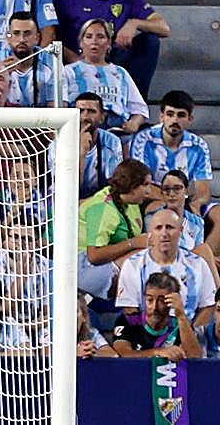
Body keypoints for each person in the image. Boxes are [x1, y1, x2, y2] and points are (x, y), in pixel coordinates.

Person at [53, 0, 168, 97]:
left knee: (150, 41)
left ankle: (136, 103)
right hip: (77, 60)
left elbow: (164, 28)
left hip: (112, 58)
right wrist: (74, 59)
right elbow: (49, 34)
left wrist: (133, 23)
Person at [115, 206, 215, 332]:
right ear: (150, 233)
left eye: (170, 227)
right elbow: (129, 309)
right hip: (147, 335)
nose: (164, 233)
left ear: (180, 230)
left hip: (189, 333)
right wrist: (153, 337)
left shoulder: (198, 264)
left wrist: (190, 333)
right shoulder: (132, 264)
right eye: (158, 228)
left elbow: (208, 306)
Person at [77, 157, 154, 300]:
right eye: (145, 185)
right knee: (146, 255)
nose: (149, 191)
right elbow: (93, 256)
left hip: (108, 262)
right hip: (84, 267)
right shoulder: (102, 208)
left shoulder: (130, 202)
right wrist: (133, 243)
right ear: (132, 186)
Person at [127, 91, 213, 212]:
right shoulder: (143, 139)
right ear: (161, 117)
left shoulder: (198, 145)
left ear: (190, 119)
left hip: (183, 201)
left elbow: (203, 192)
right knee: (162, 209)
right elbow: (140, 184)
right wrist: (173, 202)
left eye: (181, 115)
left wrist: (196, 205)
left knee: (217, 213)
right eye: (170, 114)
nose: (175, 120)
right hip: (151, 199)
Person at [59, 19, 146, 133]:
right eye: (89, 37)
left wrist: (133, 123)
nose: (94, 41)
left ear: (109, 42)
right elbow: (61, 106)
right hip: (82, 128)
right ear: (81, 42)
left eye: (100, 37)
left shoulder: (120, 73)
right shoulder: (69, 71)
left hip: (117, 131)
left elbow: (140, 109)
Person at [112, 271, 202, 360]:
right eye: (150, 300)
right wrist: (157, 352)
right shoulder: (127, 321)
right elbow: (122, 354)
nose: (154, 307)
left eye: (161, 301)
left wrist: (181, 316)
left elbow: (195, 357)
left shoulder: (180, 325)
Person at [0, 10, 56, 109]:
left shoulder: (52, 61)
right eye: (16, 33)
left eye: (27, 33)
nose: (22, 39)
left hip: (41, 117)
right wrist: (0, 76)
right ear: (8, 37)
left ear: (37, 38)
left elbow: (57, 106)